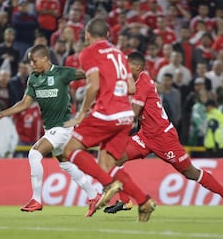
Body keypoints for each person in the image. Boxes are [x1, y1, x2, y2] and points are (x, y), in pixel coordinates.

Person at [103, 52, 223, 217]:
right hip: (145, 136)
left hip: (163, 137)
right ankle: (125, 200)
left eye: (128, 65)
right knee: (114, 157)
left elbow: (133, 114)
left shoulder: (144, 81)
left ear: (138, 67)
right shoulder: (131, 82)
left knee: (190, 172)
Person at [62, 18, 155, 222]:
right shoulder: (120, 54)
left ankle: (107, 184)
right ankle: (143, 200)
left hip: (107, 114)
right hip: (125, 117)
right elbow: (131, 88)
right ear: (107, 35)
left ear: (87, 35)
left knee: (68, 149)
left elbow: (93, 85)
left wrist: (81, 113)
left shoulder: (88, 52)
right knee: (108, 165)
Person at [0, 44, 100, 217]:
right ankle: (94, 195)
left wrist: (102, 70)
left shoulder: (62, 73)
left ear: (45, 59)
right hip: (51, 129)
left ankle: (36, 200)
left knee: (34, 154)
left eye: (34, 61)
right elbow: (25, 103)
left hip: (62, 127)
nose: (32, 65)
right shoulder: (33, 78)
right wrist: (3, 114)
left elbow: (86, 74)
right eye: (30, 62)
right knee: (66, 164)